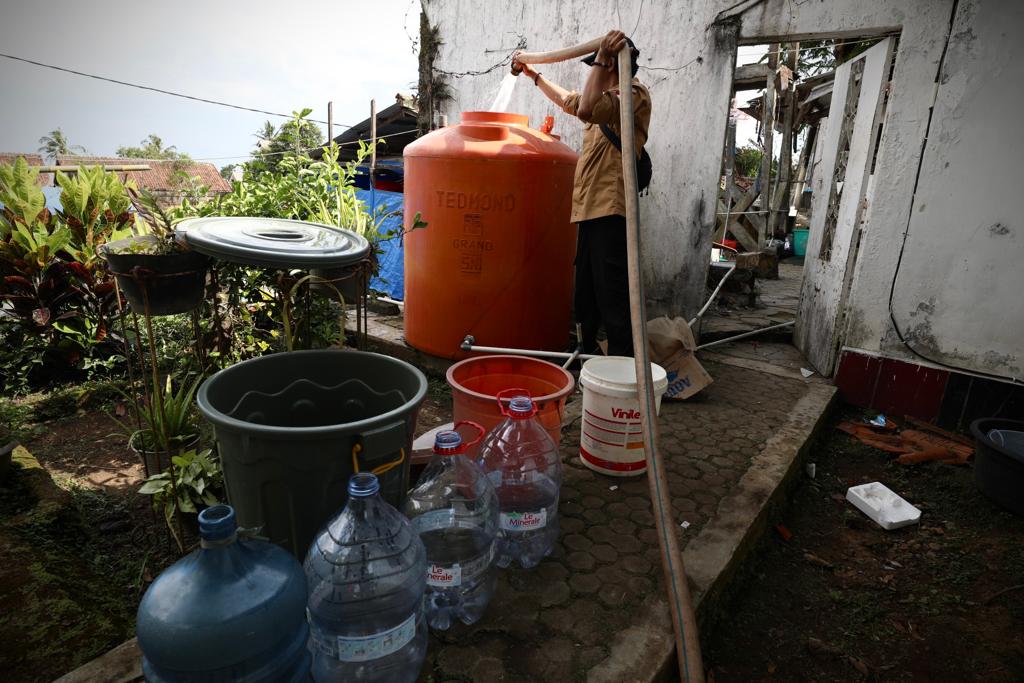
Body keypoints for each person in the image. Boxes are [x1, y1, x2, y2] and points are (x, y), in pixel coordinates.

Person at [512, 30, 651, 358]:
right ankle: (586, 354)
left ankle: (622, 367)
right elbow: (570, 101)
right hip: (588, 210)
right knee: (586, 296)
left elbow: (585, 108)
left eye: (599, 67)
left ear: (612, 67)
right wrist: (534, 76)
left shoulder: (634, 95)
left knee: (612, 294)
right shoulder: (604, 103)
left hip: (611, 210)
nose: (595, 74)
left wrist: (602, 56)